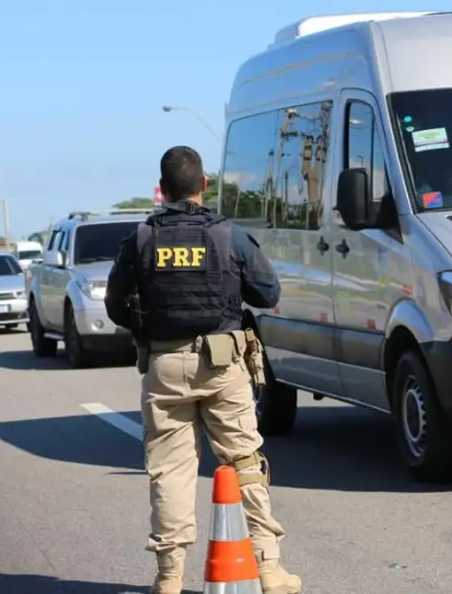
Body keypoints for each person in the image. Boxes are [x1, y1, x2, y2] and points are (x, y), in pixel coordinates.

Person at [104, 145, 301, 594]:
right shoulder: (227, 236)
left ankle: (169, 577)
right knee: (244, 462)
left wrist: (150, 328)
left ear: (162, 189)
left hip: (164, 363)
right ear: (203, 185)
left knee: (170, 471)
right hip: (222, 362)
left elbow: (115, 304)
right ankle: (269, 569)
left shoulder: (140, 239)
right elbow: (268, 294)